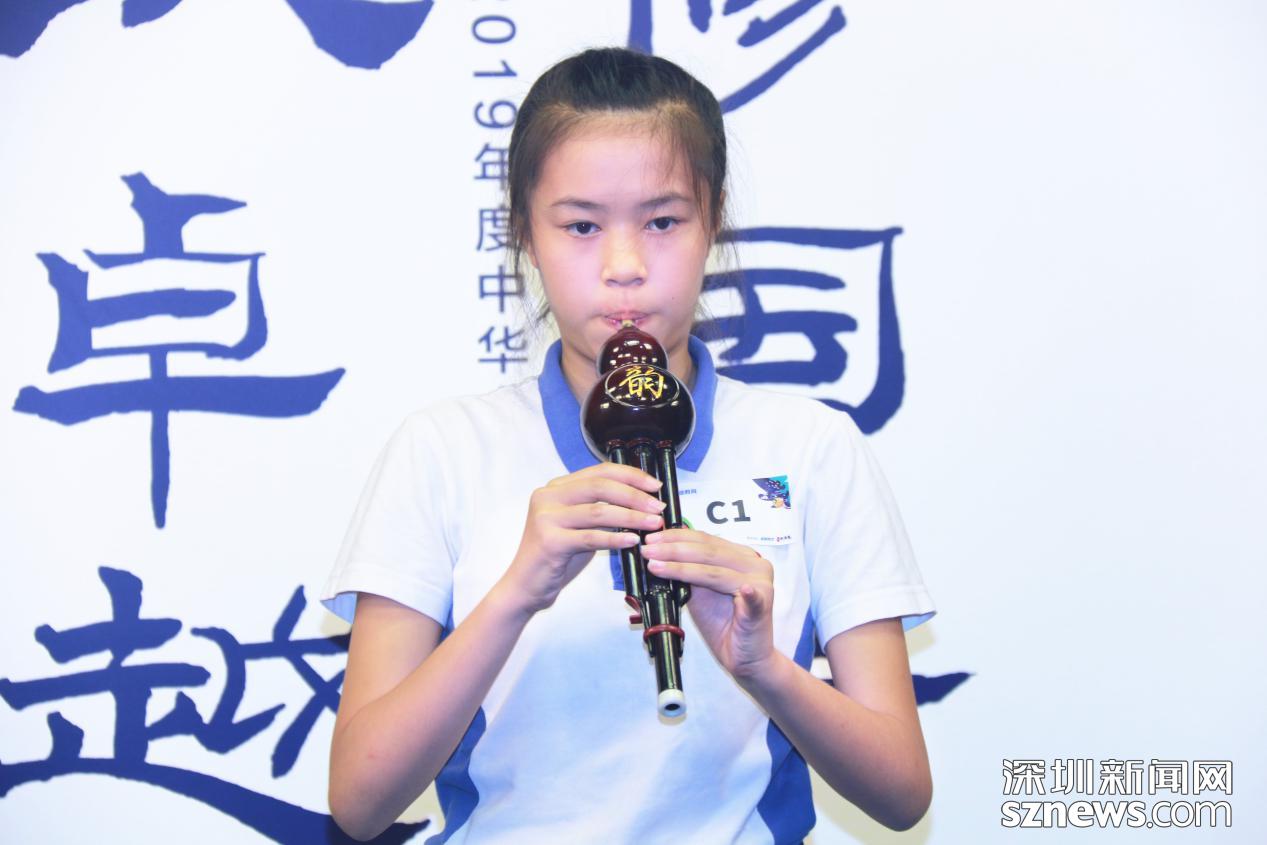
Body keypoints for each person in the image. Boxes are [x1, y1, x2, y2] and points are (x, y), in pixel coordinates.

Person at [322, 47, 935, 844]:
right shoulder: (442, 450)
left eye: (662, 221)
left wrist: (765, 670)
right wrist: (516, 591)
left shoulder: (811, 445)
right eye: (580, 225)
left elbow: (901, 793)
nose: (623, 267)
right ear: (524, 233)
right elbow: (359, 802)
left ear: (712, 221)